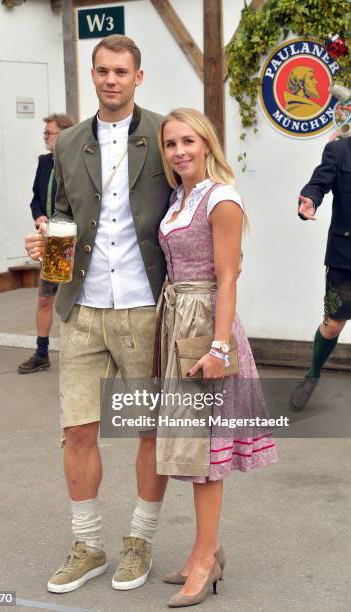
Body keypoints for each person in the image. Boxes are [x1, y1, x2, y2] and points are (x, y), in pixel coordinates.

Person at [25, 35, 171, 593]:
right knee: (78, 430)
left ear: (138, 77)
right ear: (92, 74)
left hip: (144, 307)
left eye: (121, 72)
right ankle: (88, 544)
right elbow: (62, 212)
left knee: (149, 430)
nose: (111, 80)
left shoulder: (162, 134)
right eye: (103, 71)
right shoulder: (67, 142)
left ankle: (140, 540)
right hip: (82, 309)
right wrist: (48, 246)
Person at [154, 108, 277, 607]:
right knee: (191, 447)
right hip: (177, 318)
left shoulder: (221, 198)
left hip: (207, 325)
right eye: (171, 144)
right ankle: (202, 549)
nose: (180, 151)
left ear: (207, 143)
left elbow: (229, 277)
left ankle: (206, 558)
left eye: (189, 141)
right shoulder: (178, 196)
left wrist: (218, 348)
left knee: (204, 451)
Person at [290, 136, 351, 411]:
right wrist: (309, 201)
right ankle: (313, 373)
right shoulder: (339, 149)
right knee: (333, 323)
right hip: (345, 256)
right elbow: (318, 184)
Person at [18, 113, 74, 374]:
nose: (45, 137)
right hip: (49, 240)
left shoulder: (78, 160)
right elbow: (35, 199)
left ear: (63, 135)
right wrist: (39, 215)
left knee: (75, 302)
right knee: (44, 299)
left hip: (70, 239)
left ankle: (79, 355)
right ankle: (42, 353)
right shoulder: (44, 162)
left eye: (48, 133)